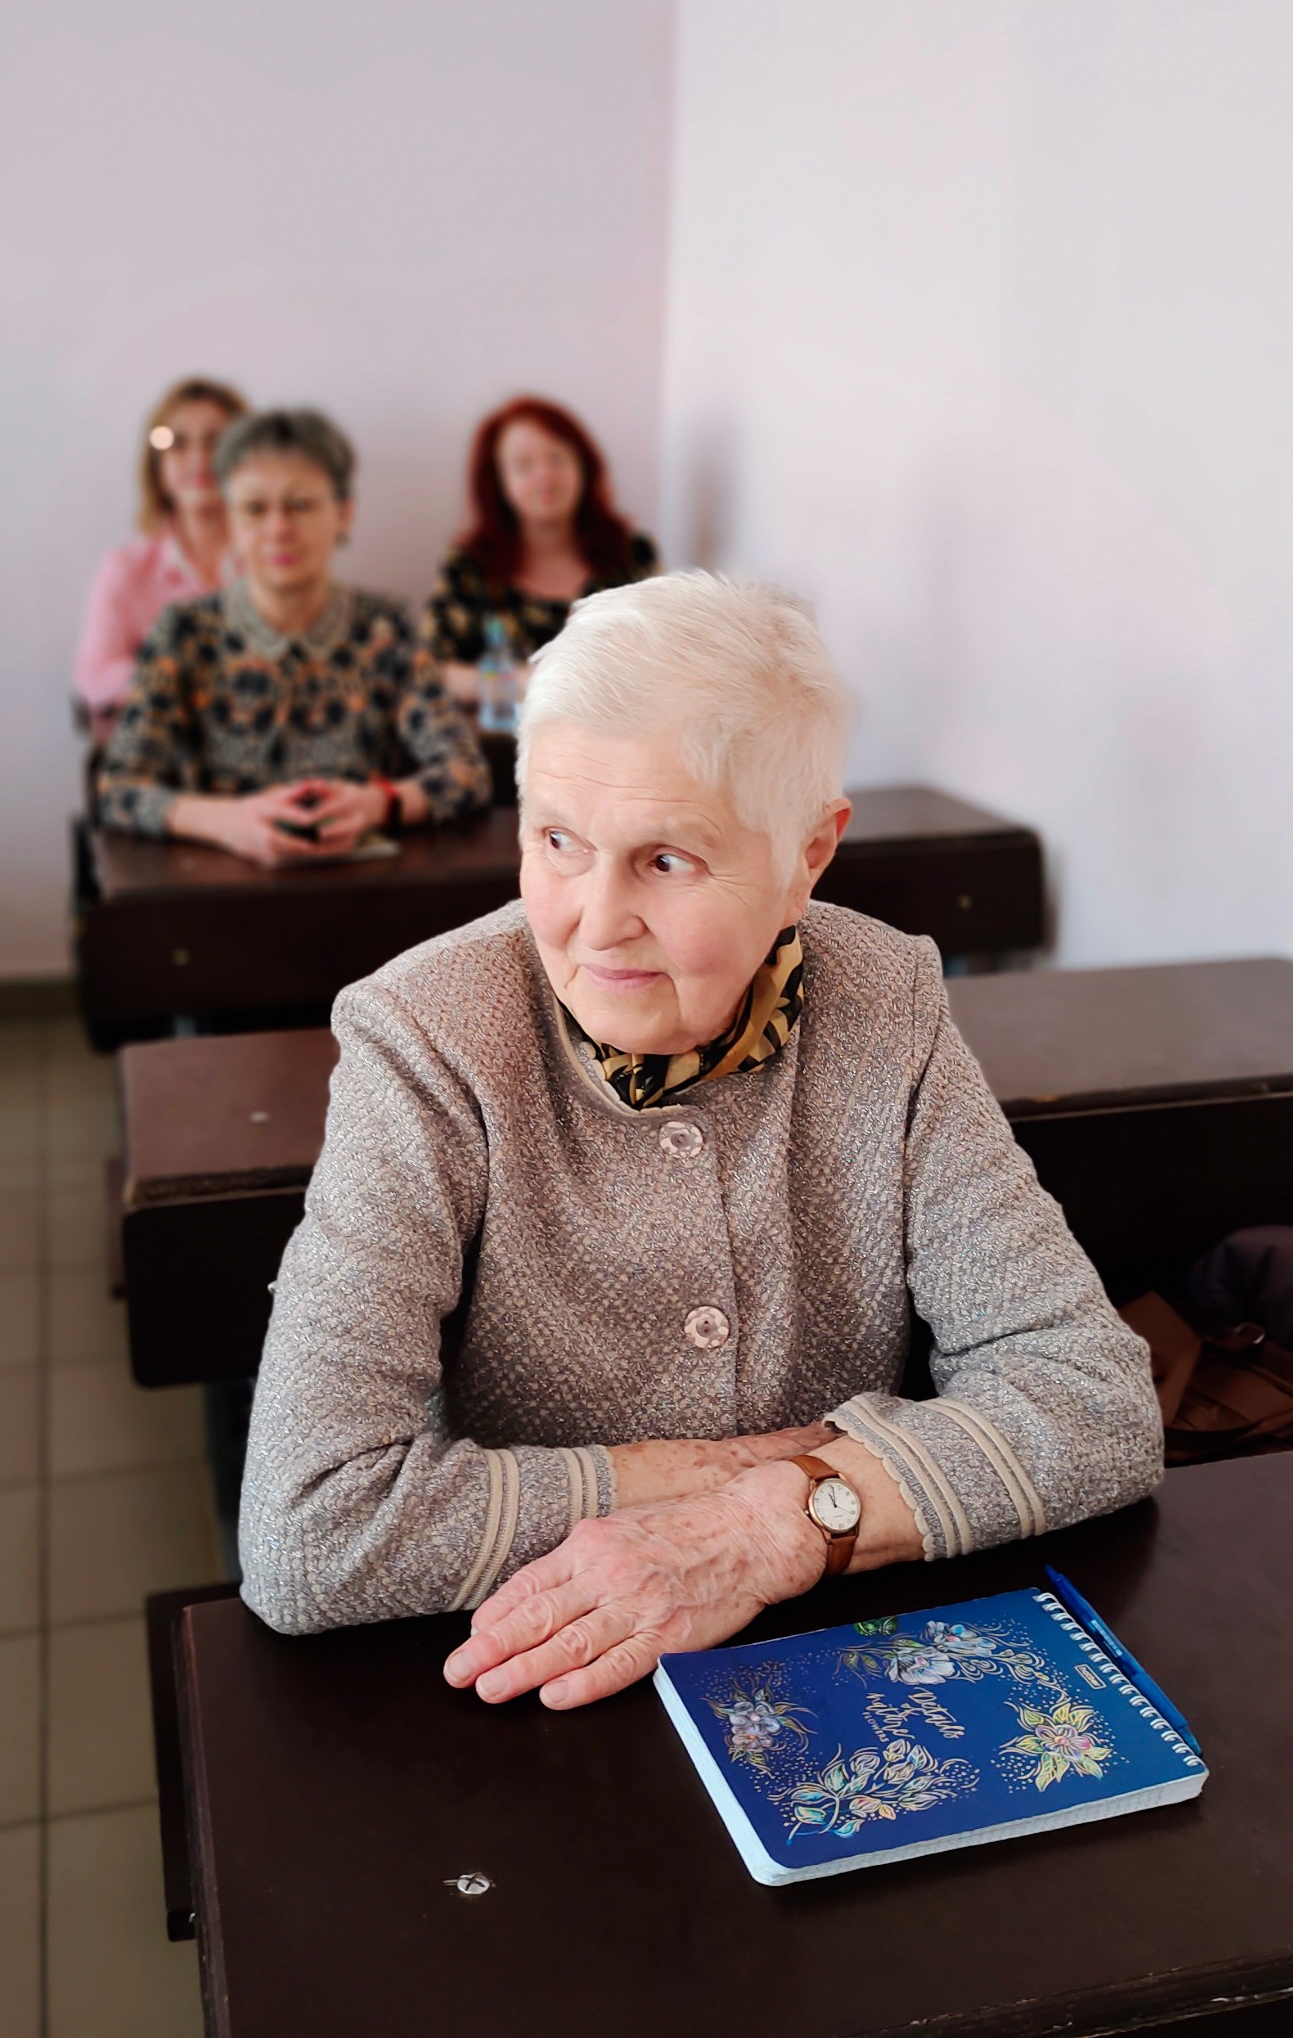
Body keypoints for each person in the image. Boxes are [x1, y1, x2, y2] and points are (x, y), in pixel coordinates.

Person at [239, 572, 1162, 1708]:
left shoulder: (888, 999)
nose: (595, 921)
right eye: (559, 841)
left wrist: (778, 1520)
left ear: (808, 856)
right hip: (528, 1675)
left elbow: (1094, 1400)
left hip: (833, 1648)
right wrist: (720, 1475)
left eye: (667, 860)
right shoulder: (426, 1035)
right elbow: (307, 1532)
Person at [97, 407, 490, 863]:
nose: (278, 529)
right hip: (219, 888)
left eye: (300, 505)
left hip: (369, 886)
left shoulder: (386, 628)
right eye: (254, 509)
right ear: (230, 521)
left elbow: (467, 772)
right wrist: (228, 821)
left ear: (343, 513)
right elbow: (119, 788)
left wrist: (381, 803)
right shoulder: (183, 632)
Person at [422, 396, 659, 709]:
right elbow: (429, 671)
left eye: (557, 458)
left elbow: (664, 660)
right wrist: (521, 681)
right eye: (524, 465)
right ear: (497, 482)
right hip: (502, 736)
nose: (545, 475)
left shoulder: (632, 554)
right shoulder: (470, 565)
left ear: (583, 466)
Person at [73, 377, 248, 734]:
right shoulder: (127, 569)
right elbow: (93, 676)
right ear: (156, 465)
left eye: (216, 441)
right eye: (176, 443)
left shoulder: (276, 557)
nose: (199, 459)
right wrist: (178, 678)